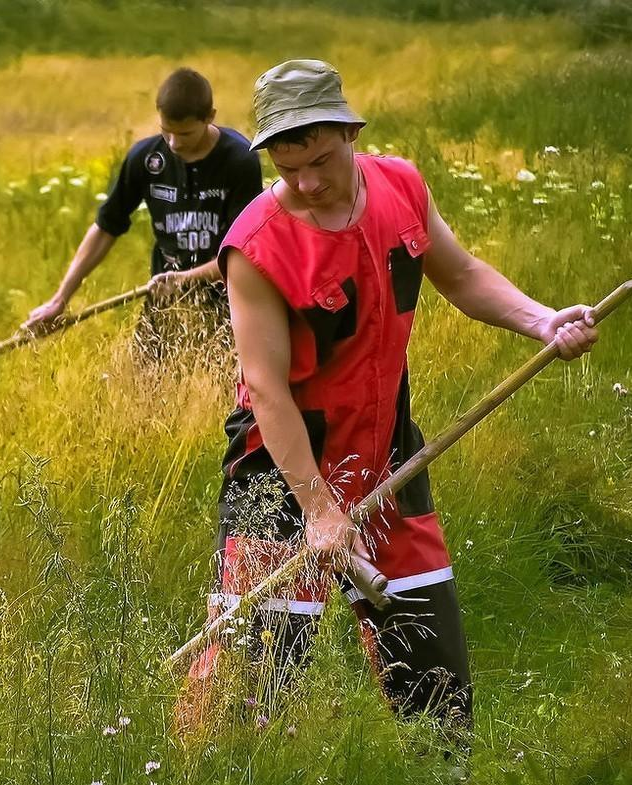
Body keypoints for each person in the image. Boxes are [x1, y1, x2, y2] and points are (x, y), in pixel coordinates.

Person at [188, 59, 598, 754]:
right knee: (246, 704)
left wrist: (542, 320)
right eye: (290, 171)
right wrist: (318, 508)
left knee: (439, 698)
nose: (308, 183)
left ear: (351, 131)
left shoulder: (401, 186)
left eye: (320, 160)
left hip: (388, 459)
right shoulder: (256, 247)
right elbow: (266, 389)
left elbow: (462, 274)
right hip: (279, 476)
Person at [23, 67, 263, 363]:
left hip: (230, 303)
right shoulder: (146, 159)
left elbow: (244, 251)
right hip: (165, 300)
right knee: (148, 387)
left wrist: (186, 278)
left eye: (185, 133)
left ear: (210, 116)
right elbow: (106, 227)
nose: (173, 143)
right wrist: (60, 298)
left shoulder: (240, 160)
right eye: (166, 131)